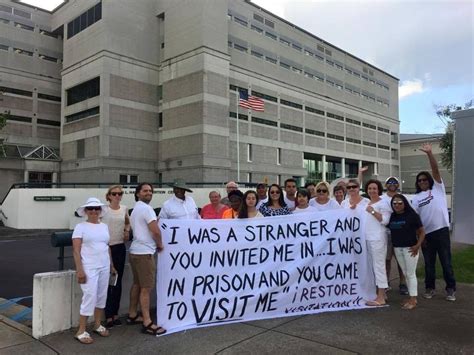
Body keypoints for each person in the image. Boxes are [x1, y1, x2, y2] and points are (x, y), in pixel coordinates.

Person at [411, 143, 456, 301]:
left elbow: (435, 170)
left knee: (446, 262)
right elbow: (415, 219)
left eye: (424, 179)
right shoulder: (415, 198)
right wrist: (419, 237)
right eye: (419, 180)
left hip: (442, 231)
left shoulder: (438, 189)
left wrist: (429, 153)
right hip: (426, 235)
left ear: (429, 180)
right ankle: (430, 289)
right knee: (429, 264)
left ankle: (450, 289)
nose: (422, 181)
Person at [72, 197, 113, 344]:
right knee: (89, 295)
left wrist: (112, 265)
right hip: (89, 266)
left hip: (104, 265)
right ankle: (81, 330)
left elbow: (107, 246)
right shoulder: (80, 227)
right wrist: (80, 270)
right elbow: (76, 250)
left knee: (102, 295)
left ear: (100, 211)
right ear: (86, 211)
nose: (94, 211)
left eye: (97, 208)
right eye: (91, 208)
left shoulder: (104, 226)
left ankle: (97, 324)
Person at [128, 183, 166, 336]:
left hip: (134, 251)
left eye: (150, 191)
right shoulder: (146, 209)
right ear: (137, 194)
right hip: (145, 253)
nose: (148, 193)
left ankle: (132, 314)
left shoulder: (136, 209)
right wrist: (160, 244)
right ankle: (147, 322)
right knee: (146, 288)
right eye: (145, 191)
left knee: (137, 284)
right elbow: (155, 230)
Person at [388, 194, 426, 310]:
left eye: (400, 203)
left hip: (410, 248)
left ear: (404, 203)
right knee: (405, 273)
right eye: (394, 203)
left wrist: (417, 245)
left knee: (410, 273)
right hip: (397, 248)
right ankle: (411, 296)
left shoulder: (412, 215)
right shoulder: (392, 216)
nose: (397, 205)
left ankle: (413, 299)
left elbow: (422, 232)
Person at [102, 185, 130, 328]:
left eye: (120, 193)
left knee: (117, 281)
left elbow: (127, 221)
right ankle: (108, 314)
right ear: (109, 196)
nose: (117, 196)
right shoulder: (104, 210)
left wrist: (126, 230)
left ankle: (115, 313)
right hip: (107, 247)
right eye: (114, 194)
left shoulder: (124, 209)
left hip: (120, 246)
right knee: (108, 281)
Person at [363, 179, 392, 306]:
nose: (372, 191)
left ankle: (381, 297)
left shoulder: (384, 203)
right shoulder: (367, 202)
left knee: (379, 267)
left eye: (374, 188)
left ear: (379, 189)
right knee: (373, 267)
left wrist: (373, 211)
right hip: (368, 238)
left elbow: (385, 221)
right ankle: (382, 293)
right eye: (369, 188)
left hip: (378, 239)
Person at [382, 176, 408, 296]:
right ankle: (386, 283)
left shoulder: (403, 198)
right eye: (389, 182)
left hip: (400, 232)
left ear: (398, 185)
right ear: (386, 185)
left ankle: (402, 283)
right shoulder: (382, 199)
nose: (392, 184)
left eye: (394, 182)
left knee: (400, 260)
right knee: (387, 260)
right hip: (386, 233)